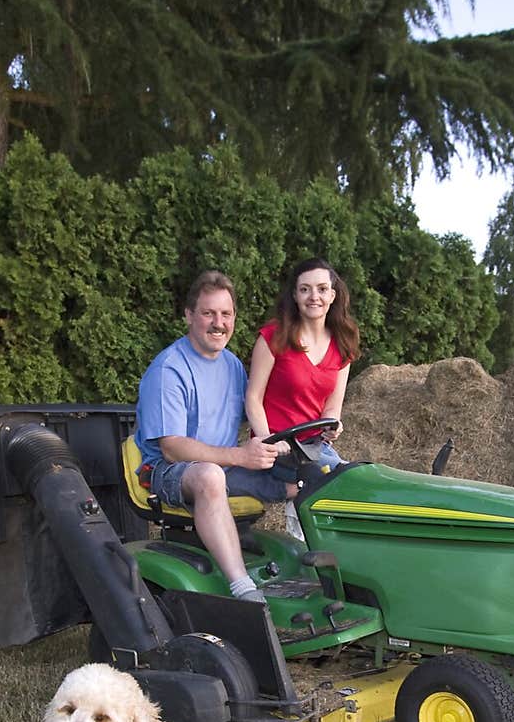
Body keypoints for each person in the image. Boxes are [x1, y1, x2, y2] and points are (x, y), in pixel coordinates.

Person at [134, 270, 296, 603]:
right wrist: (240, 456)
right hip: (169, 473)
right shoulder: (169, 369)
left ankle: (322, 577)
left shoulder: (233, 365)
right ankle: (243, 588)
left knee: (303, 478)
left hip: (225, 467)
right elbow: (172, 448)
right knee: (208, 476)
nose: (218, 323)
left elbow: (259, 412)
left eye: (226, 314)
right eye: (208, 313)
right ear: (189, 316)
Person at [246, 258, 360, 534]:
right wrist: (268, 441)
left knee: (355, 478)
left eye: (322, 289)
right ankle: (304, 548)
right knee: (330, 483)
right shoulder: (274, 336)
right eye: (305, 289)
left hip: (314, 446)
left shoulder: (343, 343)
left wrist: (333, 426)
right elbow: (253, 397)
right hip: (277, 448)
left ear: (333, 295)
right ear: (295, 296)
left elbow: (332, 409)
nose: (314, 297)